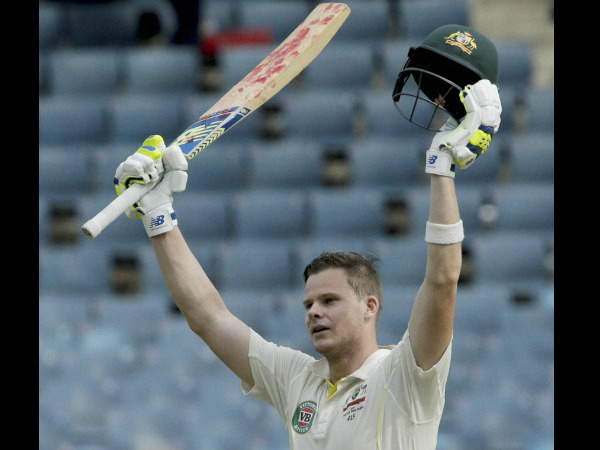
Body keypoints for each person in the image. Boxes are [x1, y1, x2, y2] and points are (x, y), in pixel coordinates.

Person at [111, 24, 502, 450]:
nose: (314, 312)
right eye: (309, 304)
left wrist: (442, 167)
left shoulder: (407, 373)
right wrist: (159, 216)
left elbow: (443, 280)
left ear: (370, 306)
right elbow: (208, 317)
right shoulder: (296, 379)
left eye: (329, 301)